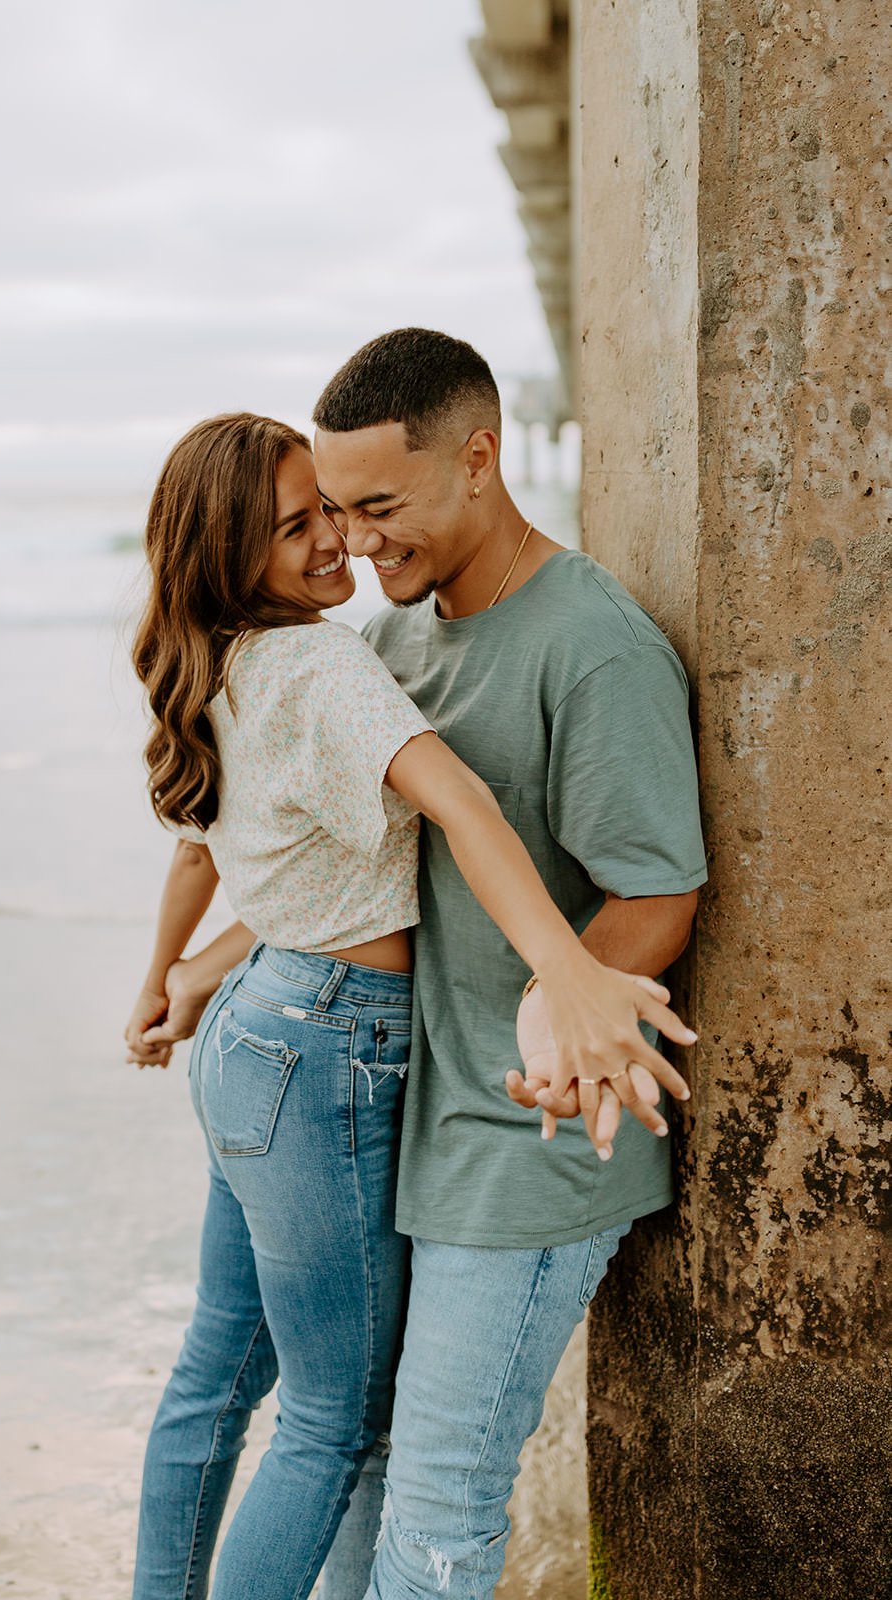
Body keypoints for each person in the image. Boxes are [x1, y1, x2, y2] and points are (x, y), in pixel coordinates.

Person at [122, 411, 697, 1600]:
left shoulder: (244, 656)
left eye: (341, 507)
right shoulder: (337, 655)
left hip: (264, 1028)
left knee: (226, 1383)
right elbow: (461, 811)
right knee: (334, 1426)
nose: (340, 539)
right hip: (323, 1045)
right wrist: (568, 971)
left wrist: (179, 973)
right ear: (234, 553)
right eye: (303, 522)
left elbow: (274, 869)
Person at [308, 328, 708, 1600]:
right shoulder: (400, 642)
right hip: (408, 1124)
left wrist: (553, 1015)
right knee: (355, 1468)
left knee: (438, 1499)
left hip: (529, 1144)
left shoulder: (591, 645)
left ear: (477, 460)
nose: (359, 542)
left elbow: (658, 887)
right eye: (336, 510)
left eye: (382, 505)